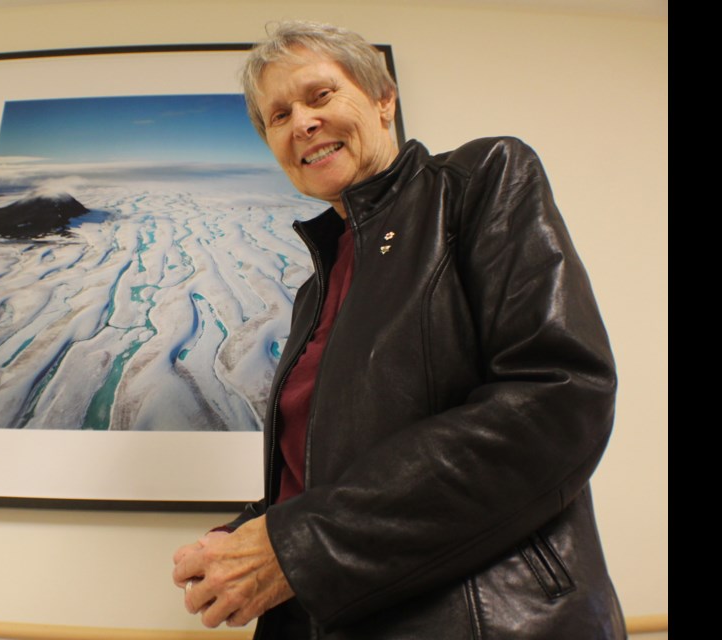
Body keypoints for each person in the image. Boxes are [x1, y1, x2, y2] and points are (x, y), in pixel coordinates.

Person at [172, 21, 625, 639]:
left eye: (320, 96)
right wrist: (251, 535)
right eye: (277, 116)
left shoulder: (478, 182)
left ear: (384, 100)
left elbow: (558, 399)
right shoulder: (315, 291)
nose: (301, 123)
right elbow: (345, 471)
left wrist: (294, 547)